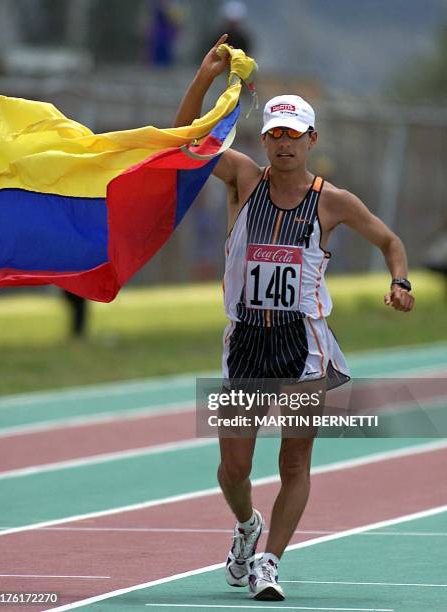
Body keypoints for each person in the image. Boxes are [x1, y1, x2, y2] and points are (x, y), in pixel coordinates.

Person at [173, 35, 415, 602]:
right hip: (244, 344)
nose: (284, 145)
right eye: (275, 134)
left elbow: (389, 239)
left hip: (302, 346)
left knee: (295, 457)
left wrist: (399, 280)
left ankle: (269, 562)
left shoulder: (333, 202)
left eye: (294, 135)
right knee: (233, 468)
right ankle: (246, 527)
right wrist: (206, 76)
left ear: (312, 140)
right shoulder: (241, 179)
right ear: (265, 140)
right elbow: (182, 143)